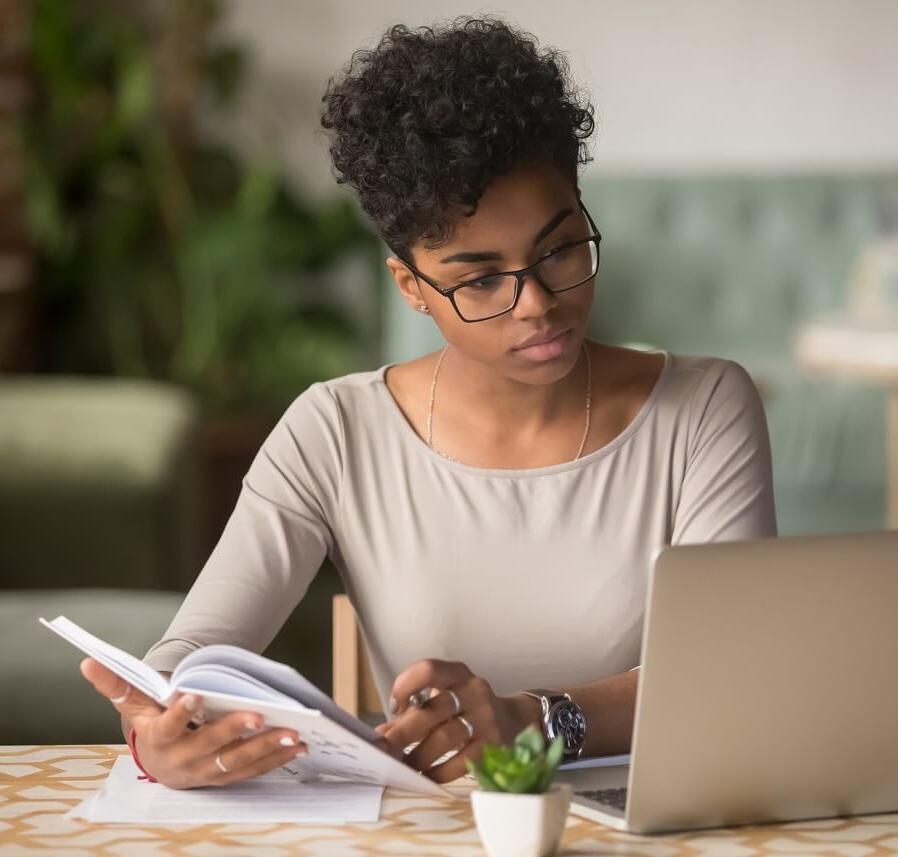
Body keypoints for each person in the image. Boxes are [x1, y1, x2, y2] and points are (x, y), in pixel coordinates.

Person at [80, 16, 776, 789]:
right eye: (481, 279)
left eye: (561, 248)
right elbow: (194, 650)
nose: (538, 303)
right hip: (429, 830)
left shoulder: (706, 407)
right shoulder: (335, 430)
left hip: (650, 826)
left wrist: (535, 721)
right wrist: (156, 732)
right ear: (411, 286)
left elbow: (734, 669)